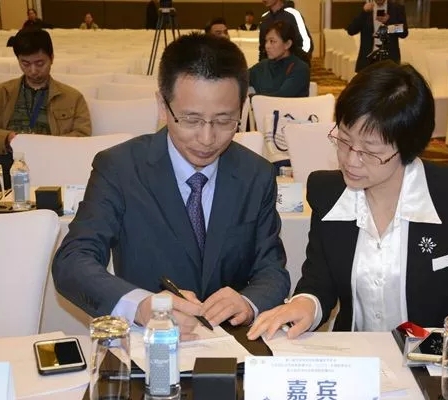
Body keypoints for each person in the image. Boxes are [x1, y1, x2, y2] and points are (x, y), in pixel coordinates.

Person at [247, 61, 448, 367]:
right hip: (360, 363)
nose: (351, 160)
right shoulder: (327, 193)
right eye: (344, 140)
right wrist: (305, 304)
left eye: (370, 151)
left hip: (443, 365)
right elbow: (319, 282)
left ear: (408, 149)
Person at [52, 33, 290, 338]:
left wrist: (248, 301)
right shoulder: (121, 168)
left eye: (224, 121)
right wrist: (140, 306)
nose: (207, 139)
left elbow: (272, 270)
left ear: (242, 109)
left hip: (231, 344)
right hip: (150, 342)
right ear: (162, 106)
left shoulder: (255, 173)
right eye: (191, 120)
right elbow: (73, 261)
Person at [0, 29, 91, 189]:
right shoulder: (1, 93)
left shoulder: (72, 97)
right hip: (6, 159)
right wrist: (7, 138)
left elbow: (82, 136)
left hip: (50, 162)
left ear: (52, 58)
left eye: (40, 63)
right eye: (26, 64)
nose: (33, 70)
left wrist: (45, 144)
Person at [249, 21, 310, 98]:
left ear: (287, 44)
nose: (267, 46)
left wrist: (252, 98)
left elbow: (280, 97)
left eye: (272, 41)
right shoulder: (263, 65)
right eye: (266, 41)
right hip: (260, 105)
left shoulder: (299, 68)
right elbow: (241, 78)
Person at [347, 0, 408, 72]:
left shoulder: (396, 8)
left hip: (390, 59)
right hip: (368, 59)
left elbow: (404, 33)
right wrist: (364, 12)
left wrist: (389, 22)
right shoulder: (364, 7)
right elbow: (351, 31)